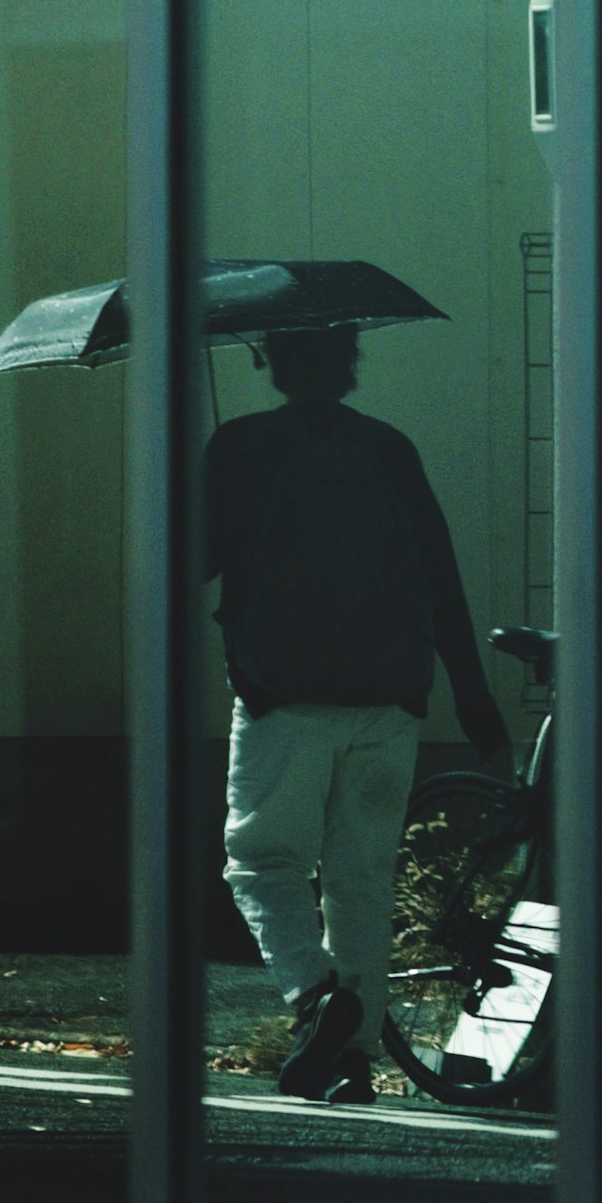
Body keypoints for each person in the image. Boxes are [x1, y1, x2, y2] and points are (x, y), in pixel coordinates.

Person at [205, 324, 508, 1099]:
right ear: (349, 363)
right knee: (361, 879)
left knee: (263, 862)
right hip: (390, 696)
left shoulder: (241, 446)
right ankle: (352, 1059)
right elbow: (440, 573)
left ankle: (315, 999)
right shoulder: (388, 449)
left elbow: (196, 560)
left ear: (271, 360)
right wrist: (472, 696)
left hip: (284, 695)